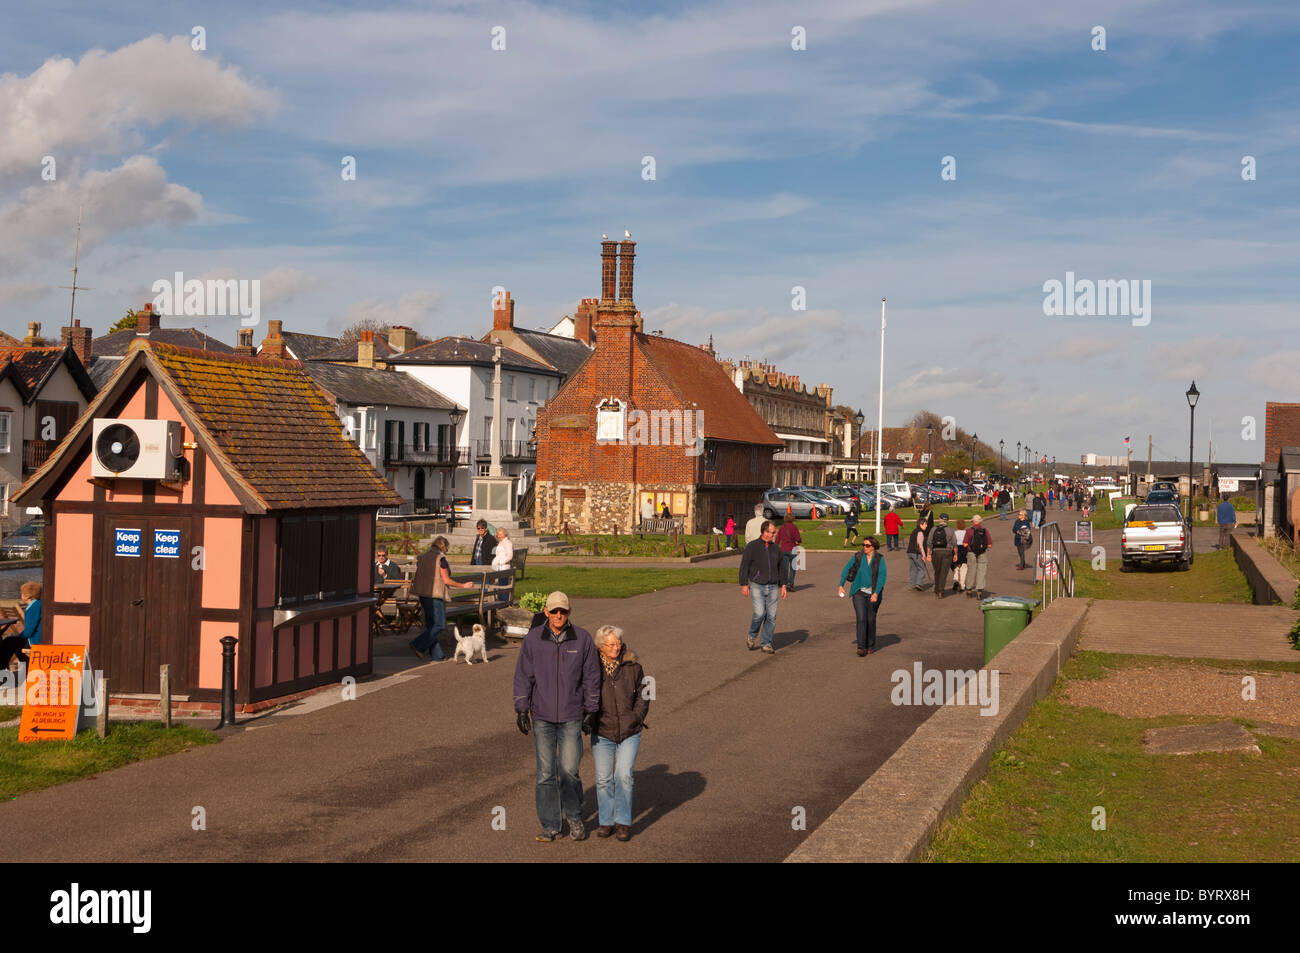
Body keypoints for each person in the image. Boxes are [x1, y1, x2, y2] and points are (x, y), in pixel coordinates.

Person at [513, 591, 601, 842]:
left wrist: (591, 711)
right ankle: (551, 824)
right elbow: (523, 676)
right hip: (542, 715)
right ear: (546, 613)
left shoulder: (582, 639)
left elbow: (592, 678)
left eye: (563, 611)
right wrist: (521, 708)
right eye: (554, 611)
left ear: (569, 612)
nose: (558, 615)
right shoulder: (532, 640)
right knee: (545, 773)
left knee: (569, 771)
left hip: (573, 715)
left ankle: (574, 816)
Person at [591, 625, 649, 841]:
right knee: (604, 779)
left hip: (629, 730)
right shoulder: (592, 667)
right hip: (602, 730)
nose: (616, 648)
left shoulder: (633, 666)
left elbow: (645, 694)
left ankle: (623, 821)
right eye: (611, 644)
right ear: (600, 647)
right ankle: (606, 821)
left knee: (623, 775)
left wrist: (636, 717)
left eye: (618, 643)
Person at [409, 536, 473, 661]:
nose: (447, 551)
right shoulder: (440, 559)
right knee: (440, 625)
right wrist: (463, 585)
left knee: (431, 626)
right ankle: (417, 644)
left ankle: (438, 655)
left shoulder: (422, 557)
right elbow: (446, 579)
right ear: (443, 546)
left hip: (423, 595)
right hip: (435, 596)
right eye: (447, 548)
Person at [739, 520, 787, 654]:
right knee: (760, 613)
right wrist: (744, 584)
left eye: (774, 533)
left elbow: (782, 567)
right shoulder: (752, 546)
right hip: (757, 585)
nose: (773, 535)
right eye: (771, 533)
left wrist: (783, 584)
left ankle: (766, 643)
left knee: (771, 616)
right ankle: (752, 635)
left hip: (772, 586)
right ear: (764, 532)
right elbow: (745, 565)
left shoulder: (776, 548)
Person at [839, 536, 886, 656]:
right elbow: (846, 569)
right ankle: (861, 646)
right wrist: (841, 585)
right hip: (859, 592)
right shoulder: (858, 556)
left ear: (873, 547)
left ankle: (870, 644)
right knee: (861, 618)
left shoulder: (880, 559)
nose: (864, 547)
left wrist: (876, 593)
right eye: (863, 545)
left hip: (874, 593)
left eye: (867, 545)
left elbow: (881, 577)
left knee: (870, 619)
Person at [0, 581, 41, 669]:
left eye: (22, 593)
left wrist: (19, 636)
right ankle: (27, 667)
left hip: (36, 641)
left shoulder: (32, 609)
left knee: (9, 641)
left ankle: (1, 668)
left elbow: (29, 632)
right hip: (42, 638)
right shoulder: (40, 604)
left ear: (27, 596)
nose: (21, 595)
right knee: (15, 643)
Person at [965, 515, 993, 598]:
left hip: (971, 553)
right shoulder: (985, 531)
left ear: (973, 521)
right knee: (981, 572)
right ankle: (979, 591)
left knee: (971, 571)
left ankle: (969, 589)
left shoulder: (969, 531)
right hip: (982, 553)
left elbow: (965, 544)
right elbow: (990, 544)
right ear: (980, 521)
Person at [929, 514, 955, 598]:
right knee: (943, 573)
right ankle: (940, 590)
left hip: (935, 552)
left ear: (939, 520)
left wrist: (928, 554)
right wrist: (956, 554)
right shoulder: (951, 530)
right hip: (947, 552)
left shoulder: (933, 529)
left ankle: (937, 589)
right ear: (947, 520)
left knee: (937, 571)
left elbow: (929, 542)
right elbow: (954, 543)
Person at [776, 513, 802, 589]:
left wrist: (775, 547)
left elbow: (778, 539)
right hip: (793, 549)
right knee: (793, 568)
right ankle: (791, 583)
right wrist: (799, 541)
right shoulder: (794, 527)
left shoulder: (781, 527)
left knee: (785, 568)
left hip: (784, 549)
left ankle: (785, 583)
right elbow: (798, 539)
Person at [907, 517, 930, 591]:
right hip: (916, 553)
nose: (926, 526)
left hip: (910, 552)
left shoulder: (914, 531)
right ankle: (919, 583)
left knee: (913, 569)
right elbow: (920, 545)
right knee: (922, 569)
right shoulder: (920, 533)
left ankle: (912, 584)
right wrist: (923, 555)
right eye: (925, 524)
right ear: (921, 524)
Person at [952, 519, 969, 593]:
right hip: (964, 549)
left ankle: (956, 579)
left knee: (956, 566)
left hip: (956, 549)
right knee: (964, 567)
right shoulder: (966, 533)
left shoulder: (955, 533)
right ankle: (962, 585)